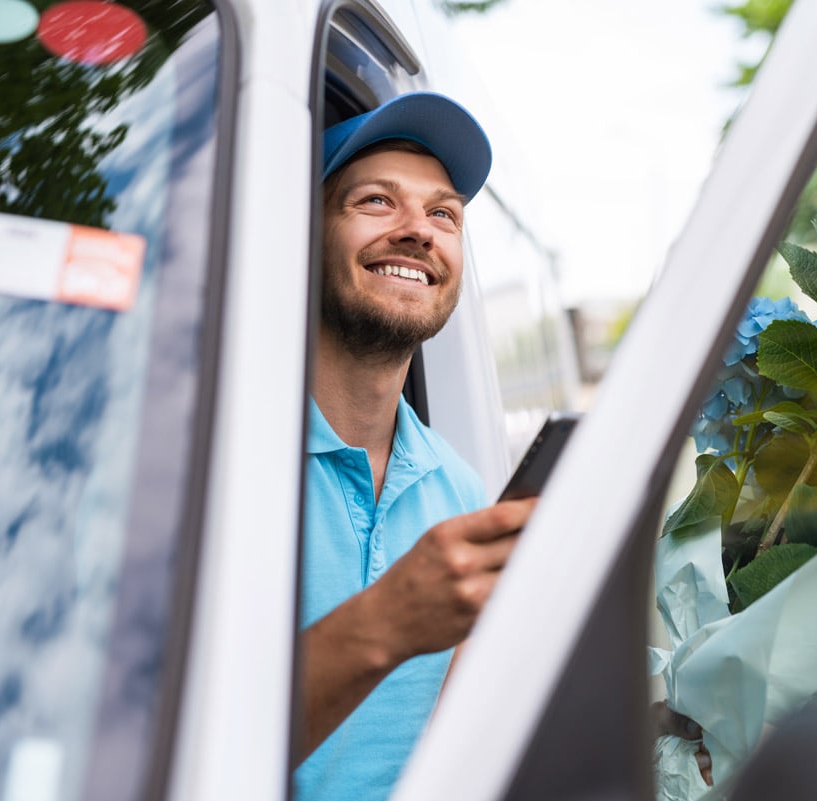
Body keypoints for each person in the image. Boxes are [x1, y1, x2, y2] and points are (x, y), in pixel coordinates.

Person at [292, 92, 537, 801]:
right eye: (376, 201)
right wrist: (384, 622)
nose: (419, 232)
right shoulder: (217, 468)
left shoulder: (459, 492)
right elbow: (165, 735)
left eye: (444, 214)